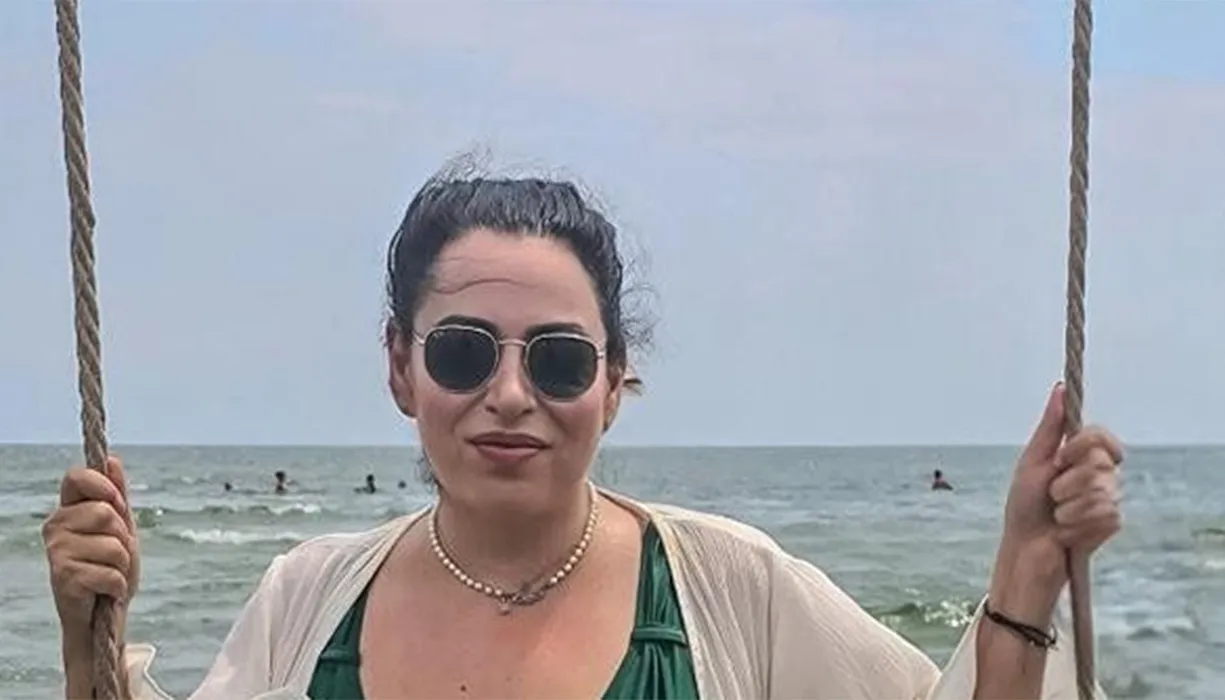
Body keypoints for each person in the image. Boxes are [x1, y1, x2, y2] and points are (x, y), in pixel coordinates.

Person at [41, 171, 1125, 700]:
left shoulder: (730, 589)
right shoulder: (304, 600)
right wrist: (86, 643)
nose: (510, 394)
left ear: (612, 385)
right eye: (464, 351)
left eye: (558, 359)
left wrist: (1024, 572)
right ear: (399, 367)